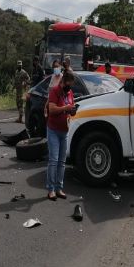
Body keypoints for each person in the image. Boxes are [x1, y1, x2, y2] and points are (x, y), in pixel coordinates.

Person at [46, 72, 77, 200]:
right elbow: (52, 109)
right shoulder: (54, 91)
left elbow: (71, 109)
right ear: (63, 82)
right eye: (67, 85)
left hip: (64, 131)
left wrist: (73, 110)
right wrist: (66, 108)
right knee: (53, 160)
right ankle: (51, 189)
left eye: (71, 86)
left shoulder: (70, 93)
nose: (69, 88)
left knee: (62, 162)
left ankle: (59, 188)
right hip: (53, 130)